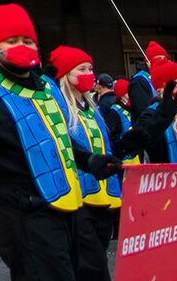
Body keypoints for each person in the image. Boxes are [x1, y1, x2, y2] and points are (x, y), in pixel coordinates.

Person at [0, 5, 118, 281]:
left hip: (65, 205)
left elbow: (57, 138)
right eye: (12, 41)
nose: (21, 46)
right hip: (22, 212)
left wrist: (88, 159)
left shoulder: (47, 86)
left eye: (28, 41)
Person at [49, 46, 119, 281]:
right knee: (93, 269)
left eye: (90, 68)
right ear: (66, 74)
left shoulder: (93, 109)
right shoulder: (59, 109)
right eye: (81, 68)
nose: (89, 73)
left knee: (97, 263)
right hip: (78, 201)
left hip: (102, 198)